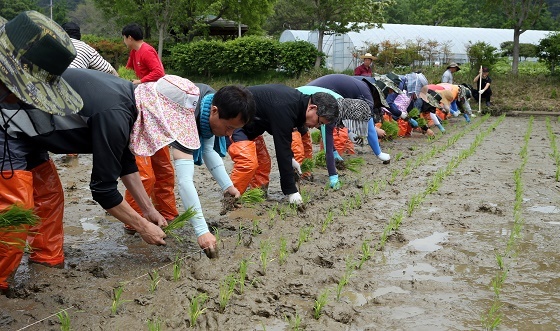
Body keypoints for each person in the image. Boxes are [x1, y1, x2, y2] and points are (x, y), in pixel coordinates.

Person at [0, 11, 166, 292]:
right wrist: (142, 225)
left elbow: (123, 161)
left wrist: (148, 210)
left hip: (35, 133)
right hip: (7, 130)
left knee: (49, 196)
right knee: (15, 209)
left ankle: (47, 258)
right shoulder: (115, 110)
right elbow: (103, 190)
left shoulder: (120, 108)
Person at [130, 77, 255, 255]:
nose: (229, 135)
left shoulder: (212, 100)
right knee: (143, 176)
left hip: (162, 121)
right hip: (139, 113)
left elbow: (207, 149)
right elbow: (185, 181)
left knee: (164, 173)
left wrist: (228, 186)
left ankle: (162, 217)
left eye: (234, 130)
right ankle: (132, 225)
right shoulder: (188, 117)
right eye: (228, 128)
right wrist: (202, 231)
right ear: (214, 111)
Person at [228, 85, 339, 205]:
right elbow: (282, 147)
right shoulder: (287, 106)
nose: (316, 127)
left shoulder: (297, 106)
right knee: (248, 162)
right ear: (312, 108)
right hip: (233, 124)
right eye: (319, 122)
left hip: (251, 126)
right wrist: (291, 190)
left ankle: (256, 197)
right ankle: (230, 199)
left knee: (263, 162)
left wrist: (291, 158)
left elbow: (284, 138)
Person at [122, 22, 177, 233]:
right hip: (137, 106)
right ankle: (134, 220)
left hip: (152, 105)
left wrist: (139, 82)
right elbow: (126, 72)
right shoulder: (134, 53)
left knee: (162, 168)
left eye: (123, 38)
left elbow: (159, 72)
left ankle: (168, 212)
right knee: (144, 174)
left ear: (128, 37)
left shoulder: (146, 51)